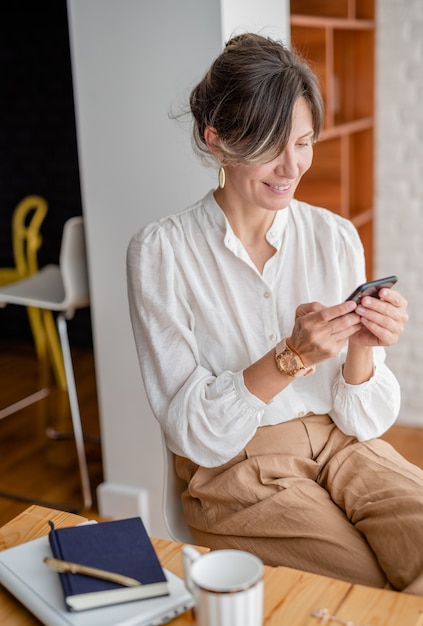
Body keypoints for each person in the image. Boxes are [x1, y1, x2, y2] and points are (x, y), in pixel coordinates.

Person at [127, 33, 423, 594]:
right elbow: (191, 430)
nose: (292, 167)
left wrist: (364, 341)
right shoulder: (161, 252)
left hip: (343, 443)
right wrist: (288, 358)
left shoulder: (334, 236)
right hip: (236, 466)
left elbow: (364, 422)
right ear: (215, 141)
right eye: (270, 146)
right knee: (368, 596)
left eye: (305, 143)